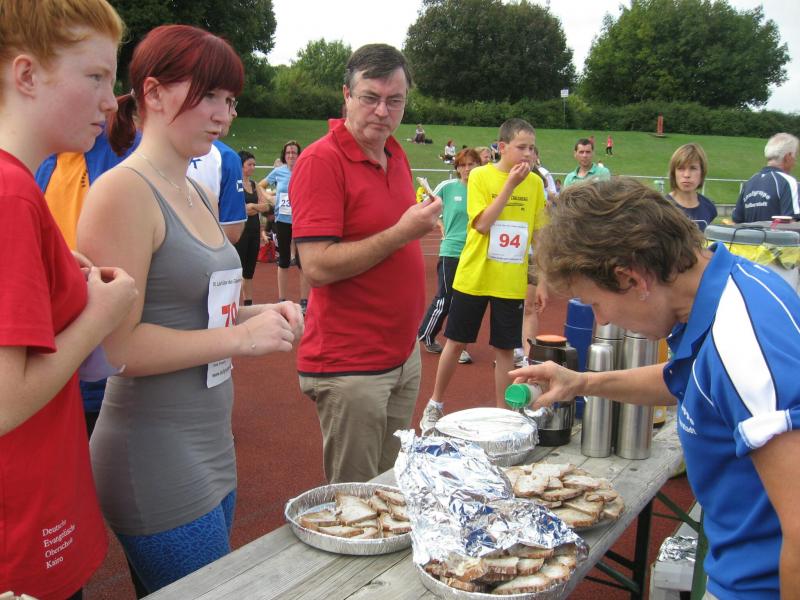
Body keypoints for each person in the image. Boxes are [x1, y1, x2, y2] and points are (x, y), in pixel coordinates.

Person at [78, 25, 303, 595]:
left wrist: (263, 313)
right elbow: (117, 346)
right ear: (154, 93)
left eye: (230, 100)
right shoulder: (124, 192)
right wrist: (240, 340)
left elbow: (196, 314)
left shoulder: (196, 191)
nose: (223, 114)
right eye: (208, 96)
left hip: (211, 445)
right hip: (154, 455)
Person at [511, 177, 800, 600]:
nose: (602, 319)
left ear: (632, 279)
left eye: (595, 303)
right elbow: (687, 378)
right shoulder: (722, 290)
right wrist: (582, 382)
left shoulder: (743, 343)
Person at [0, 2, 138, 599]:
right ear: (27, 75)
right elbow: (4, 401)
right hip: (22, 522)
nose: (111, 101)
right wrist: (100, 314)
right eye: (96, 77)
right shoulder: (12, 194)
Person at [290, 44, 442, 484]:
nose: (382, 111)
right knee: (356, 501)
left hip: (402, 355)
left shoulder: (394, 152)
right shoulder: (321, 161)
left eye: (395, 100)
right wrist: (402, 232)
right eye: (370, 97)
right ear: (346, 95)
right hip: (352, 365)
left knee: (391, 487)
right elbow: (316, 266)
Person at [420, 118, 548, 432]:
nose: (528, 154)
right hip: (475, 275)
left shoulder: (535, 184)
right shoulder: (480, 176)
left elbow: (540, 236)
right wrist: (509, 186)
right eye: (521, 147)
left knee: (505, 349)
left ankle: (504, 416)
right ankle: (435, 403)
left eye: (531, 148)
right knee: (456, 341)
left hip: (510, 280)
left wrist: (542, 280)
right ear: (502, 147)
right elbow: (481, 224)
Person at [36, 126, 141, 438]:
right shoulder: (39, 156)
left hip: (100, 358)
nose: (107, 102)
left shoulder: (125, 150)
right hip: (46, 349)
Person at [418, 148, 481, 365]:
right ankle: (426, 334)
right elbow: (425, 206)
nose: (467, 169)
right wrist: (440, 223)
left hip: (475, 253)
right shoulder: (448, 186)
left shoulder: (484, 190)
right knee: (446, 297)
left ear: (479, 166)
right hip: (452, 251)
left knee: (467, 301)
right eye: (462, 165)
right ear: (457, 168)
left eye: (471, 164)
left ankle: (458, 345)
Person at [263, 140, 309, 312]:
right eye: (288, 152)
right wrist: (269, 198)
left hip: (302, 220)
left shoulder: (305, 170)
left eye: (294, 152)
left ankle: (304, 301)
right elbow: (260, 185)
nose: (291, 155)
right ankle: (282, 299)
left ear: (299, 155)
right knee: (283, 260)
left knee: (302, 262)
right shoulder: (278, 172)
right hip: (283, 220)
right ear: (284, 155)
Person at [187, 116, 246, 243]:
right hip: (204, 250)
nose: (234, 113)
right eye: (230, 105)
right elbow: (232, 232)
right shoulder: (225, 156)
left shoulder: (148, 146)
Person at [732, 132, 799, 223]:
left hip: (750, 233)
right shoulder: (788, 182)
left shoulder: (750, 182)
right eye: (795, 156)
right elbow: (791, 223)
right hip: (776, 233)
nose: (795, 162)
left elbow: (737, 220)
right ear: (788, 156)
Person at [235, 150, 272, 305]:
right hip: (240, 232)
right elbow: (240, 209)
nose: (253, 167)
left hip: (254, 231)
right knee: (237, 270)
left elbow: (266, 206)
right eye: (249, 164)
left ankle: (248, 303)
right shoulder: (236, 184)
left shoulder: (254, 185)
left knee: (249, 272)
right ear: (241, 165)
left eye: (254, 165)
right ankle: (233, 303)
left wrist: (253, 206)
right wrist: (255, 207)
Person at [666, 143, 717, 232]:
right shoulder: (662, 208)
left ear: (702, 172)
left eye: (693, 168)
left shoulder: (709, 207)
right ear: (673, 173)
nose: (687, 175)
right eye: (681, 168)